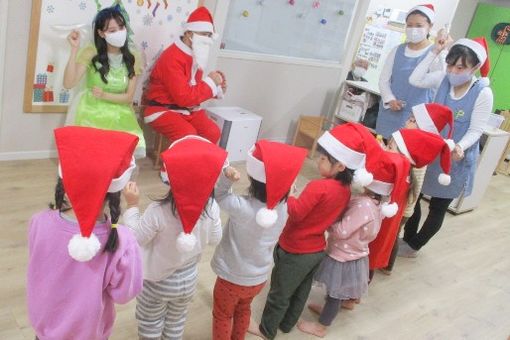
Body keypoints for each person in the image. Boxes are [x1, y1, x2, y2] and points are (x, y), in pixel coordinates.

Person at [251, 123, 374, 340]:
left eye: (324, 159)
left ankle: (267, 331)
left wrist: (290, 195)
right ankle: (287, 325)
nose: (318, 161)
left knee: (279, 293)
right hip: (317, 249)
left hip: (295, 249)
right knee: (301, 291)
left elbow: (297, 213)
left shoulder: (318, 187)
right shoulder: (345, 191)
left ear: (341, 166)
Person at [27, 126, 143, 340]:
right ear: (116, 192)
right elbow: (123, 294)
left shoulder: (39, 222)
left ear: (65, 182)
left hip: (44, 331)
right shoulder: (121, 240)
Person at [298, 135, 410, 337]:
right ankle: (348, 303)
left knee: (333, 294)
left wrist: (329, 220)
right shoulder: (377, 204)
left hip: (343, 256)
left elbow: (341, 232)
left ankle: (322, 326)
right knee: (342, 290)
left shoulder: (363, 206)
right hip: (356, 254)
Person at [122, 135, 226, 340]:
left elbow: (136, 239)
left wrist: (132, 207)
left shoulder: (158, 211)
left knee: (150, 323)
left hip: (157, 283)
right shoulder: (212, 208)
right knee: (176, 322)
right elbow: (215, 238)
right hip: (188, 281)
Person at [401, 37, 494, 257]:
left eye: (460, 67)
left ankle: (415, 245)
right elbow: (415, 79)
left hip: (455, 159)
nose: (453, 70)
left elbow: (476, 129)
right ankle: (408, 237)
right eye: (450, 64)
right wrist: (435, 52)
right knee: (414, 196)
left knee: (438, 206)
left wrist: (459, 147)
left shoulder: (482, 92)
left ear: (475, 67)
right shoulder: (443, 79)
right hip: (431, 152)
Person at [210, 141, 308, 340]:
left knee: (222, 315)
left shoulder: (241, 207)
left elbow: (218, 195)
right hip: (258, 279)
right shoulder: (286, 208)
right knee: (244, 310)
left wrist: (227, 177)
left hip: (231, 278)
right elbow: (288, 190)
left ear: (253, 180)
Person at [63, 5, 146, 158]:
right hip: (92, 110)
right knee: (94, 155)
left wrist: (103, 95)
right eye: (112, 31)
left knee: (120, 156)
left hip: (120, 111)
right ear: (101, 33)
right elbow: (68, 84)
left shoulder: (133, 57)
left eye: (121, 28)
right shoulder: (91, 52)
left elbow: (128, 97)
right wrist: (74, 49)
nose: (120, 33)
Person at [383, 103, 453, 273]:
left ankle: (387, 266)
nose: (407, 121)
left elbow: (413, 186)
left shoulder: (416, 156)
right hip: (400, 206)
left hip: (402, 208)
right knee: (391, 235)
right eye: (409, 118)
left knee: (392, 237)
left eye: (413, 120)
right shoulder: (408, 144)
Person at [143, 6, 225, 144]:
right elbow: (184, 97)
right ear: (189, 34)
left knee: (213, 132)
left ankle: (199, 164)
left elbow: (195, 90)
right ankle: (176, 165)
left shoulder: (197, 54)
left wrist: (216, 87)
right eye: (204, 34)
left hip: (187, 110)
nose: (208, 39)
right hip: (161, 109)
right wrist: (210, 82)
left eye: (210, 35)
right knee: (188, 135)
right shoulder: (172, 57)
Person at [376, 4, 443, 139]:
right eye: (410, 25)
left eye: (419, 25)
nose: (413, 29)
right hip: (390, 113)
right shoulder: (397, 50)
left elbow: (438, 87)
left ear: (430, 26)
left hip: (415, 118)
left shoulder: (435, 54)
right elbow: (383, 80)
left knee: (406, 151)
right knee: (383, 148)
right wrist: (390, 100)